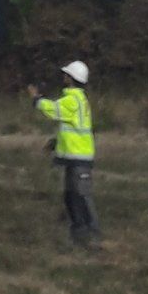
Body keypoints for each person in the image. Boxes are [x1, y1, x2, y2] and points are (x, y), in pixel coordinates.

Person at [29, 60, 99, 246]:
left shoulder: (72, 100)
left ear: (71, 78)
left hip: (78, 157)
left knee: (81, 196)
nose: (63, 77)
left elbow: (53, 110)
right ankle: (80, 234)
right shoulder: (78, 99)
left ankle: (90, 233)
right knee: (72, 196)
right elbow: (72, 127)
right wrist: (56, 142)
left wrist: (37, 99)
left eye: (66, 75)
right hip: (74, 156)